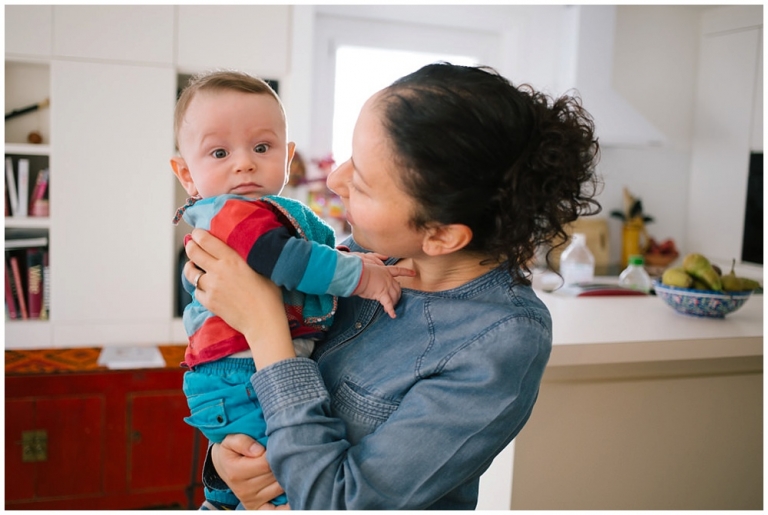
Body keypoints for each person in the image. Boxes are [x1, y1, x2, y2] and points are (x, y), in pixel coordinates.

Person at [183, 63, 602, 509]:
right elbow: (251, 390)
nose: (333, 179)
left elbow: (342, 501)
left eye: (361, 184)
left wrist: (264, 325)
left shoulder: (497, 342)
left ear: (441, 235)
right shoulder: (367, 255)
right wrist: (227, 464)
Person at [170, 70, 412, 509]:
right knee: (278, 481)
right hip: (239, 375)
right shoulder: (231, 213)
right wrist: (360, 275)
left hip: (243, 373)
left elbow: (306, 255)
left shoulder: (267, 211)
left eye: (262, 147)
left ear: (288, 155)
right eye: (219, 152)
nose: (243, 163)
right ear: (186, 174)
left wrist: (347, 260)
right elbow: (285, 260)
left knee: (259, 472)